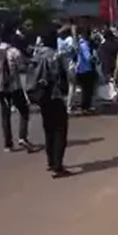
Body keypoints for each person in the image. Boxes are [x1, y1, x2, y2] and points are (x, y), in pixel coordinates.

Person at [30, 28, 72, 178]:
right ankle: (57, 166)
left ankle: (50, 161)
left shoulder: (37, 55)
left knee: (48, 129)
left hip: (42, 96)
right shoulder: (55, 56)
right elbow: (64, 77)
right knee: (60, 130)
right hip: (55, 96)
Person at [0, 29, 34, 153]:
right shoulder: (14, 52)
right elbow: (22, 68)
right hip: (14, 86)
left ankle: (7, 144)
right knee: (24, 111)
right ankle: (22, 137)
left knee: (5, 114)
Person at [75, 29, 96, 114]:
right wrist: (95, 59)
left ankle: (85, 106)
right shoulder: (84, 45)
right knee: (87, 89)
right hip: (86, 69)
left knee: (85, 89)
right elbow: (88, 57)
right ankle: (85, 107)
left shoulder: (80, 44)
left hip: (81, 69)